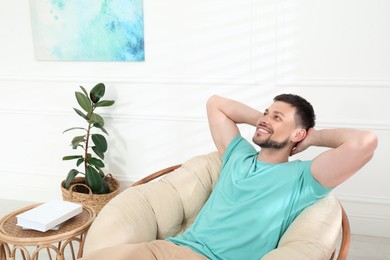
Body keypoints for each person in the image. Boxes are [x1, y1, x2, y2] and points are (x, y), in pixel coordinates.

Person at [81, 94, 378, 260]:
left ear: (298, 133)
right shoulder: (237, 155)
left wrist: (311, 138)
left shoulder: (303, 178)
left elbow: (365, 142)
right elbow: (215, 104)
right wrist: (264, 122)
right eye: (266, 112)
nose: (265, 118)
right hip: (173, 249)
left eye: (278, 117)